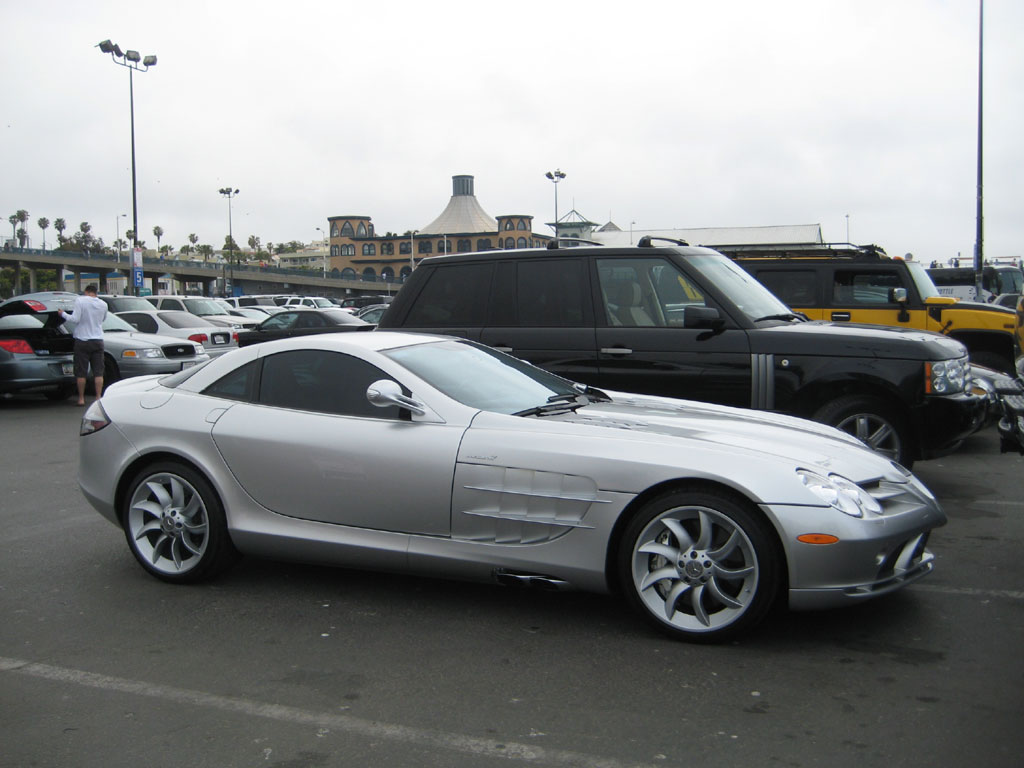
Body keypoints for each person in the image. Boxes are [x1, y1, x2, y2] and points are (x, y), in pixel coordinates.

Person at [59, 284, 108, 405]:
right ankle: (98, 397)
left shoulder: (80, 300)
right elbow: (103, 319)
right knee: (98, 371)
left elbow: (75, 319)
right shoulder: (103, 304)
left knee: (81, 371)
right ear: (96, 292)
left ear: (86, 292)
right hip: (98, 340)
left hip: (82, 340)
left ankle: (81, 398)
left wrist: (62, 314)